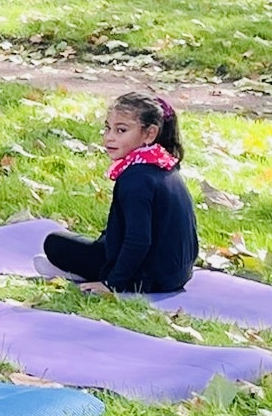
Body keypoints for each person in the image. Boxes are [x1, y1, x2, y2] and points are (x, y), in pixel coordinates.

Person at [35, 93, 197, 295]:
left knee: (55, 242)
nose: (109, 137)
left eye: (121, 130)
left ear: (149, 134)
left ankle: (89, 274)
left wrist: (112, 284)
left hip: (148, 278)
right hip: (177, 274)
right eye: (107, 128)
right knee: (104, 239)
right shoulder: (164, 165)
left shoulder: (135, 179)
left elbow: (138, 240)